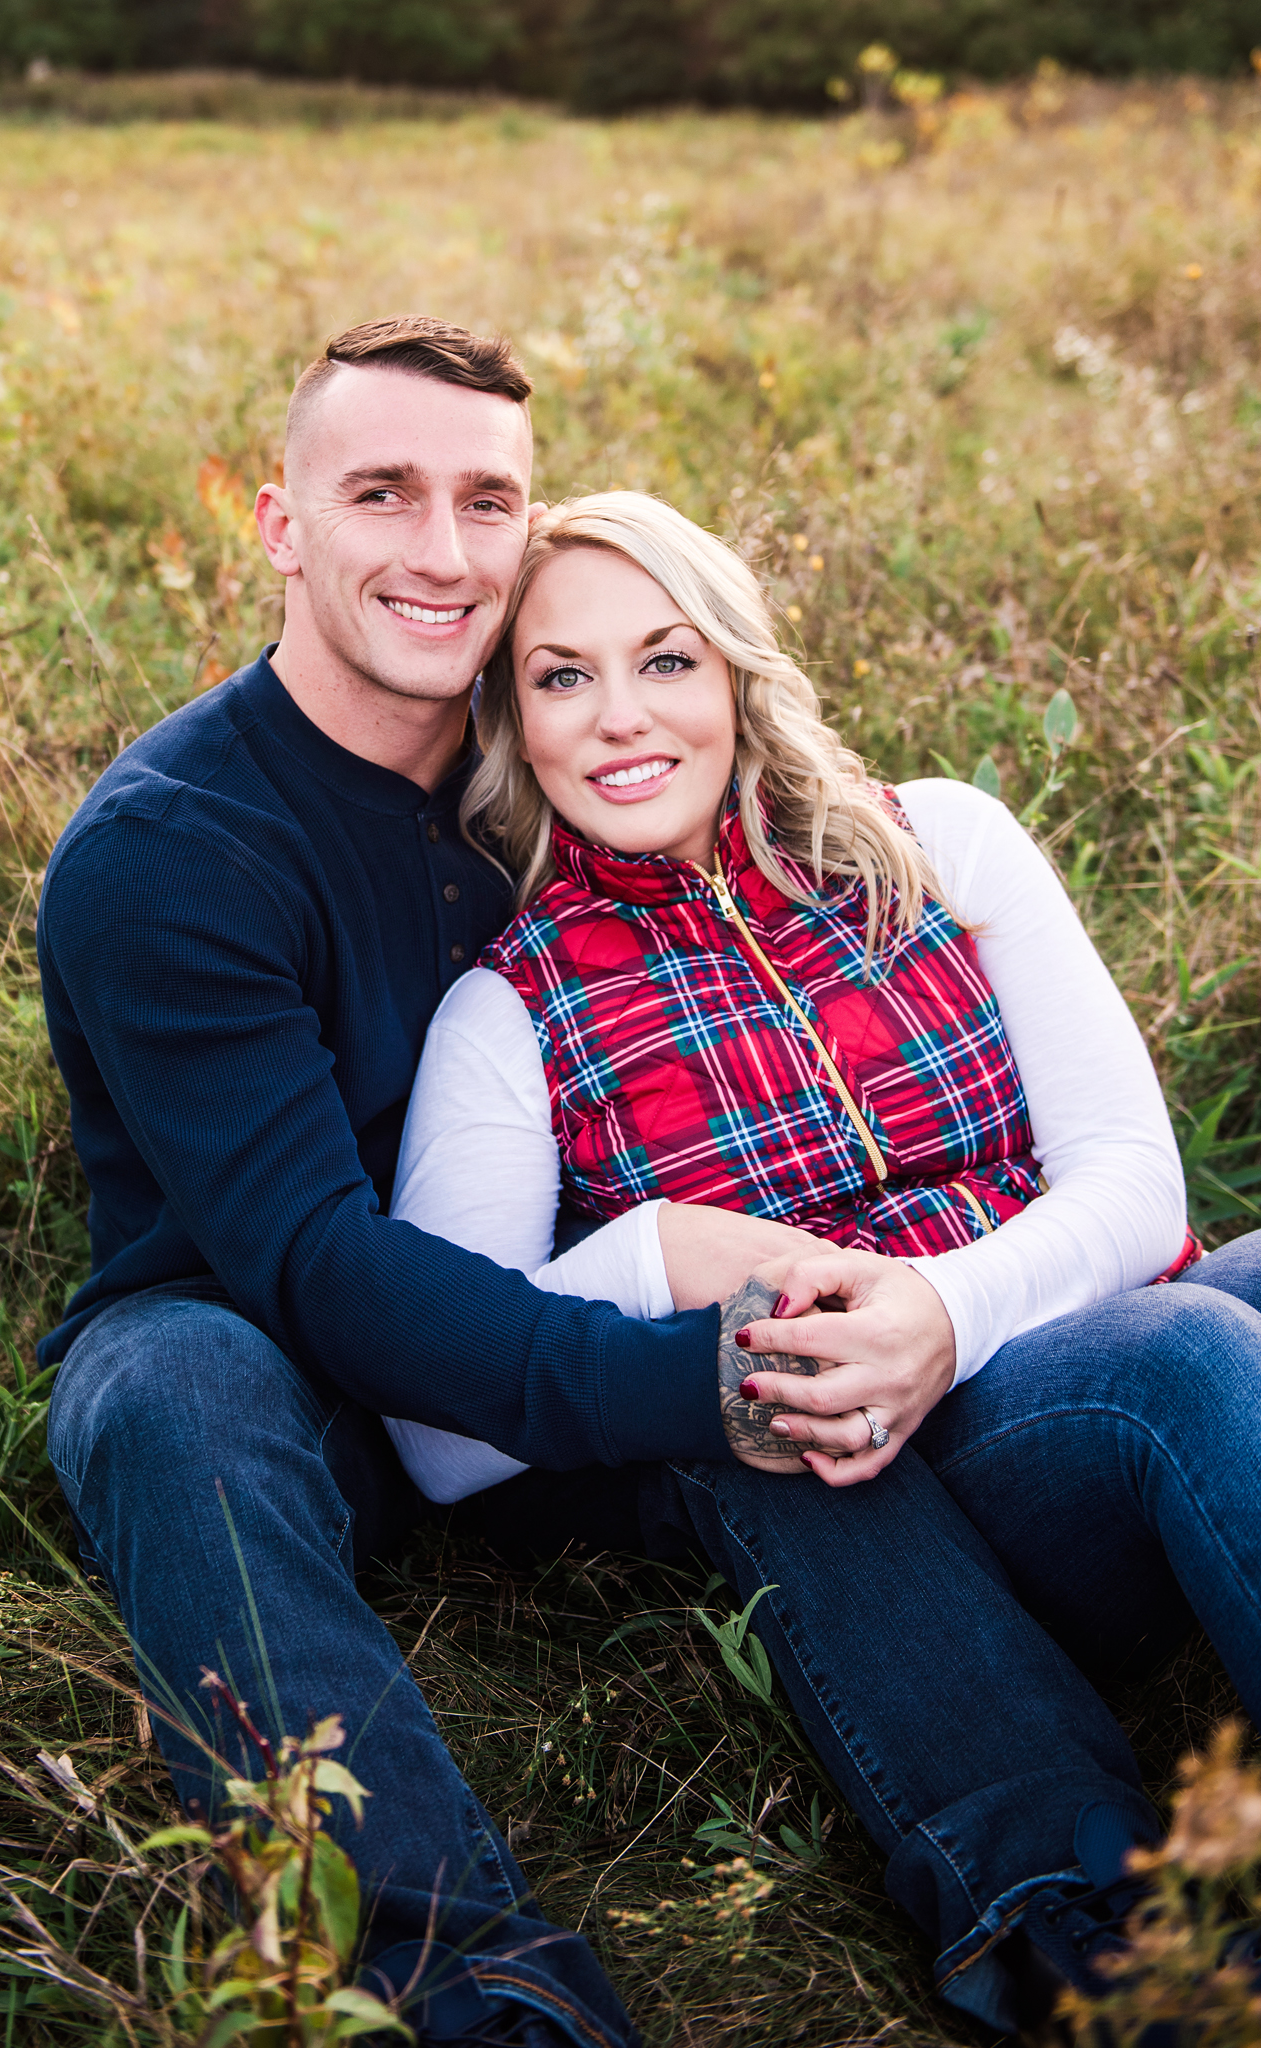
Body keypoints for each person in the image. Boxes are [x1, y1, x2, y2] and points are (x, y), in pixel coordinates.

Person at [386, 489, 1261, 2036]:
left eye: (664, 659)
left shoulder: (938, 845)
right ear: (511, 721)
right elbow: (439, 1429)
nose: (623, 719)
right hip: (929, 1481)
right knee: (1179, 1360)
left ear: (732, 669)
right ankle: (1098, 1925)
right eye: (562, 676)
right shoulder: (508, 1015)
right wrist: (658, 1252)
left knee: (1193, 1321)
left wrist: (943, 1304)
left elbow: (1137, 1187)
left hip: (1053, 1325)